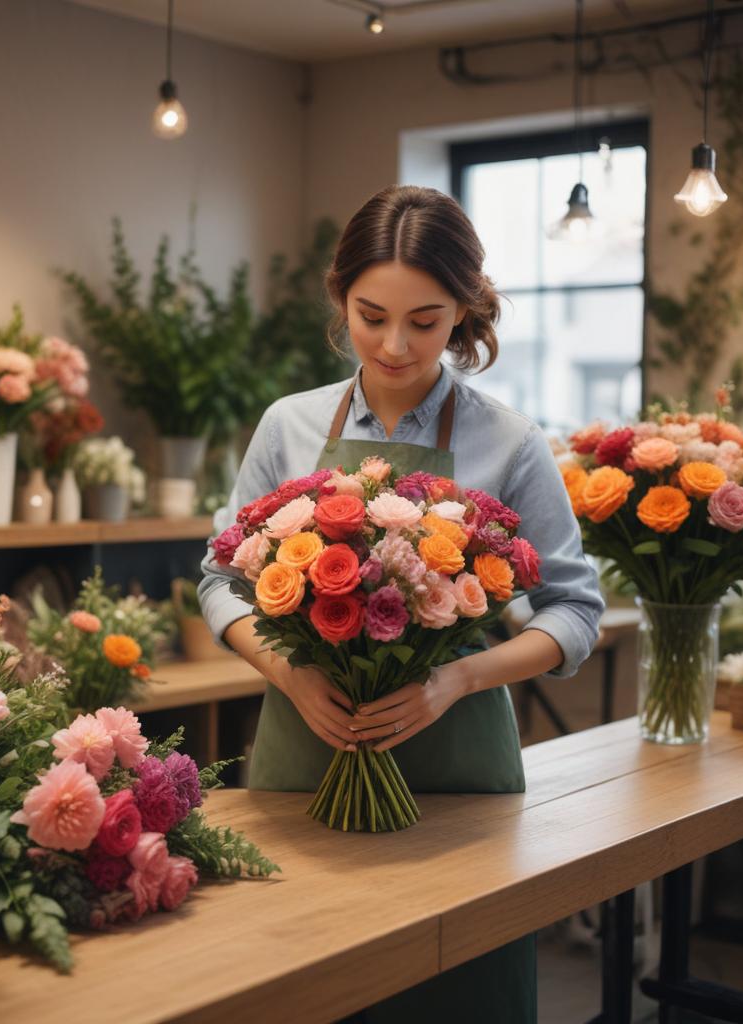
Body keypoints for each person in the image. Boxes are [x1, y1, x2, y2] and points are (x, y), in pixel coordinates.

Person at [197, 184, 604, 1023]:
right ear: (340, 297)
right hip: (306, 758)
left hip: (459, 775)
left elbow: (575, 611)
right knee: (304, 988)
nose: (392, 343)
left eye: (425, 320)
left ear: (465, 309)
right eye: (369, 313)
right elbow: (218, 578)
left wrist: (457, 680)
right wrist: (290, 674)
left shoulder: (512, 441)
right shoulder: (288, 425)